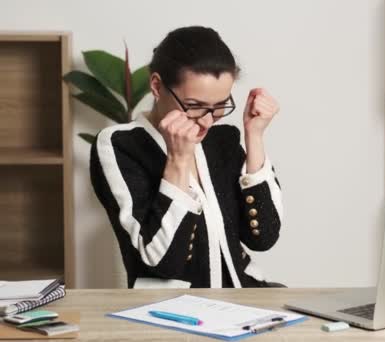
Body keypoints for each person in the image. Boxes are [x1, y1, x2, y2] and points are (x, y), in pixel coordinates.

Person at [89, 26, 283, 288]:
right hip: (173, 311)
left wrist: (255, 137)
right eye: (194, 106)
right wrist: (178, 161)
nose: (206, 121)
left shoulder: (222, 140)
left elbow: (264, 238)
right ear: (157, 86)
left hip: (244, 298)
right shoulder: (119, 145)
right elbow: (164, 262)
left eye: (219, 107)